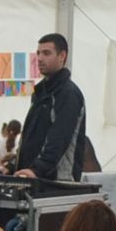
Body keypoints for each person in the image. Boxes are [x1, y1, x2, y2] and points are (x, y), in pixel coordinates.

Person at [15, 32, 86, 182]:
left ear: (62, 56)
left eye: (46, 53)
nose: (40, 58)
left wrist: (37, 169)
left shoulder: (68, 93)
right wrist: (12, 166)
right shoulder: (40, 93)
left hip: (58, 182)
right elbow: (30, 139)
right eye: (38, 53)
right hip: (34, 178)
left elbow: (60, 137)